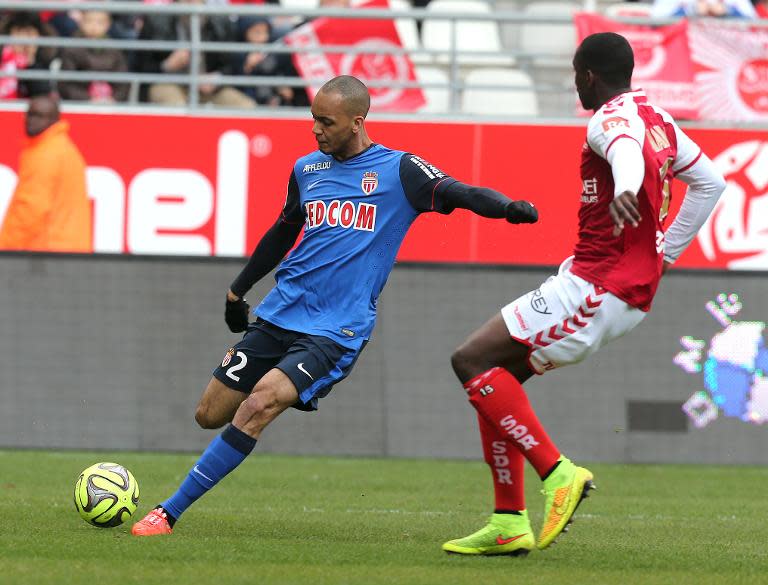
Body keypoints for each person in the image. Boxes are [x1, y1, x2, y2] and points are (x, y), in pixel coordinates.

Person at [130, 74, 539, 536]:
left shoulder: (400, 171)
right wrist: (237, 290)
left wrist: (506, 208)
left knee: (259, 403)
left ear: (357, 122)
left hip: (335, 329)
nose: (316, 130)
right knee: (209, 414)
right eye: (313, 120)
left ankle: (167, 513)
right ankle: (192, 483)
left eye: (326, 122)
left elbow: (459, 192)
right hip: (281, 313)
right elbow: (284, 231)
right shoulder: (307, 170)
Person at [442, 32, 726, 556]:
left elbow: (622, 151)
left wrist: (624, 189)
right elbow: (711, 182)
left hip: (597, 287)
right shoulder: (658, 118)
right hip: (615, 285)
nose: (577, 84)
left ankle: (558, 473)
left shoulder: (609, 118)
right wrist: (667, 253)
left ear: (589, 75)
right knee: (493, 383)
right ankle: (508, 522)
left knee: (469, 359)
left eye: (577, 75)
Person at [0, 92, 92, 252]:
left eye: (40, 116)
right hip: (67, 249)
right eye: (30, 114)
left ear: (54, 119)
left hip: (47, 251)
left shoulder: (46, 154)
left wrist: (5, 247)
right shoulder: (63, 148)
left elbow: (30, 211)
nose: (31, 121)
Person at [135, 0, 255, 108]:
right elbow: (138, 66)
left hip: (207, 89)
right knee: (176, 107)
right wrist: (166, 66)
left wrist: (217, 78)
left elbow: (231, 65)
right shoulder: (156, 19)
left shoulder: (220, 21)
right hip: (168, 83)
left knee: (247, 107)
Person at [58, 9, 130, 103]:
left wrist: (113, 99)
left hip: (110, 105)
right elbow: (65, 85)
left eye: (100, 22)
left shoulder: (114, 51)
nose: (94, 26)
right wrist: (88, 99)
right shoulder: (71, 49)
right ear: (81, 22)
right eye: (89, 21)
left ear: (108, 24)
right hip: (79, 104)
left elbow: (123, 83)